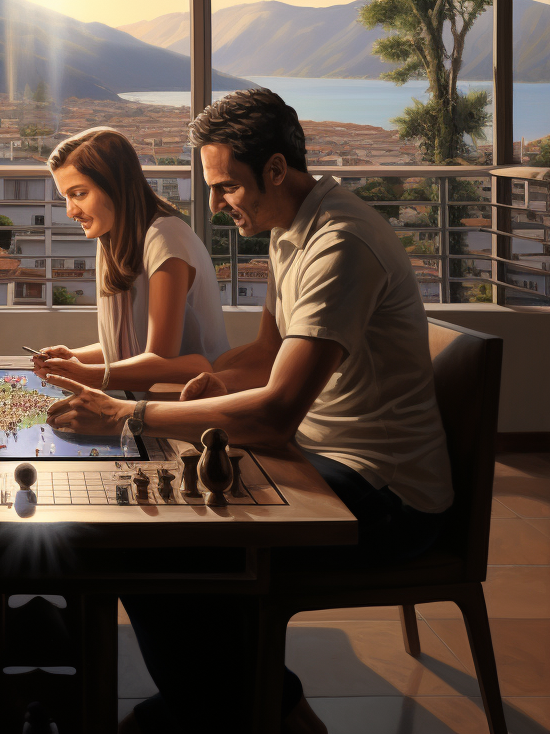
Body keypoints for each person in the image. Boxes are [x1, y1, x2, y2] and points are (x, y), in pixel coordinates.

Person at [43, 90, 454, 734]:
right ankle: (223, 699)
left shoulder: (339, 244)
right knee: (163, 536)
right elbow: (265, 353)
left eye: (225, 187)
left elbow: (274, 415)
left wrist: (130, 416)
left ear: (276, 170)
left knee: (165, 552)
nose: (213, 204)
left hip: (384, 495)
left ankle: (268, 710)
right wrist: (213, 378)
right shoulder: (294, 230)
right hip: (320, 458)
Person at [33, 127, 230, 391]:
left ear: (116, 187)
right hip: (147, 402)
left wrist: (90, 375)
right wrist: (73, 358)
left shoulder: (165, 239)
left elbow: (160, 361)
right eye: (66, 197)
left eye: (79, 194)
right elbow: (128, 347)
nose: (70, 211)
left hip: (190, 405)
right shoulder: (112, 238)